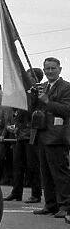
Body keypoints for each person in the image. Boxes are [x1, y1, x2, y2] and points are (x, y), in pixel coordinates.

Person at [32, 57, 70, 220]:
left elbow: (67, 110)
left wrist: (47, 101)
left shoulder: (66, 87)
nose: (49, 72)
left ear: (60, 69)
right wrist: (34, 96)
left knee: (59, 172)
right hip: (42, 133)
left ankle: (65, 205)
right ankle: (50, 204)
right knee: (45, 172)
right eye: (47, 69)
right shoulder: (43, 87)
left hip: (57, 136)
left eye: (53, 68)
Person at [6, 68, 43, 202]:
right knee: (18, 165)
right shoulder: (24, 93)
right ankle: (16, 192)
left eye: (29, 77)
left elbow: (34, 111)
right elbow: (19, 114)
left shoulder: (38, 94)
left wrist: (32, 95)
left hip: (31, 135)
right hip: (21, 134)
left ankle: (36, 194)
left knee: (32, 166)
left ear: (35, 79)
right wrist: (15, 126)